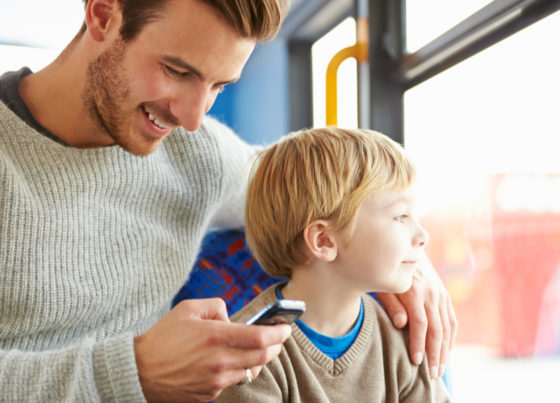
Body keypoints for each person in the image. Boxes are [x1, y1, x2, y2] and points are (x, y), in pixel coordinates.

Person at [0, 0, 456, 401]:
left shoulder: (195, 155)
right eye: (177, 71)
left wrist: (409, 259)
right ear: (103, 14)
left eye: (219, 86)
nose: (194, 118)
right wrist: (131, 371)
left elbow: (316, 194)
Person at [214, 127, 451, 402]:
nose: (423, 237)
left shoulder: (401, 338)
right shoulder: (253, 350)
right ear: (324, 240)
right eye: (401, 216)